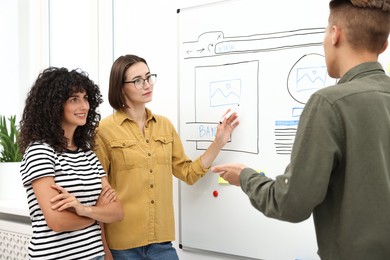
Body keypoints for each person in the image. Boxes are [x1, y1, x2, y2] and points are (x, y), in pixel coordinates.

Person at [213, 0, 390, 259]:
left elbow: (291, 203)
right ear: (384, 45)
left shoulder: (329, 103)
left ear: (335, 34)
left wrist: (245, 177)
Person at [94, 54, 239, 259]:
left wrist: (219, 142)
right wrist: (105, 250)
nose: (147, 85)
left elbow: (188, 173)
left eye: (148, 77)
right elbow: (98, 193)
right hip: (122, 245)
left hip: (161, 243)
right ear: (120, 88)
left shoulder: (164, 125)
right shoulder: (104, 131)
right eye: (138, 81)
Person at [18, 67, 124, 260]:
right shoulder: (40, 152)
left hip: (96, 255)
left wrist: (83, 209)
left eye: (85, 98)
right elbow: (57, 221)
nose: (84, 106)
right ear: (54, 105)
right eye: (74, 99)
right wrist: (98, 212)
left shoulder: (87, 154)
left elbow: (117, 212)